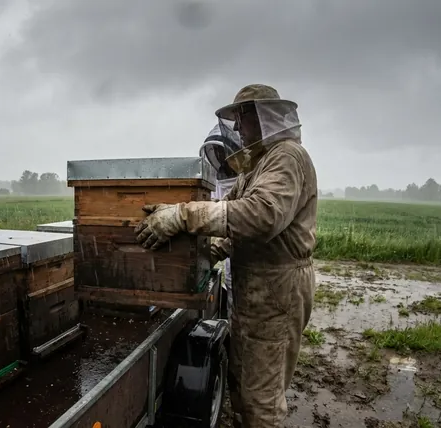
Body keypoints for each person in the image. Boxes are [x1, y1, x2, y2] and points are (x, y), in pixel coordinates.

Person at [134, 84, 318, 427]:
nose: (238, 128)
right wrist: (205, 252)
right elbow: (229, 216)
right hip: (256, 288)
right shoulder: (256, 167)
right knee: (243, 377)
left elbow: (262, 216)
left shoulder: (287, 157)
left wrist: (181, 216)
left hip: (277, 290)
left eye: (242, 119)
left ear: (263, 118)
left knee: (261, 397)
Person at [199, 124, 241, 319]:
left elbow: (247, 222)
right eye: (216, 152)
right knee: (234, 313)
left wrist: (217, 249)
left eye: (223, 152)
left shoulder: (253, 180)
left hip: (262, 274)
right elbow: (214, 211)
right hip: (234, 267)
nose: (220, 157)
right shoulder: (218, 181)